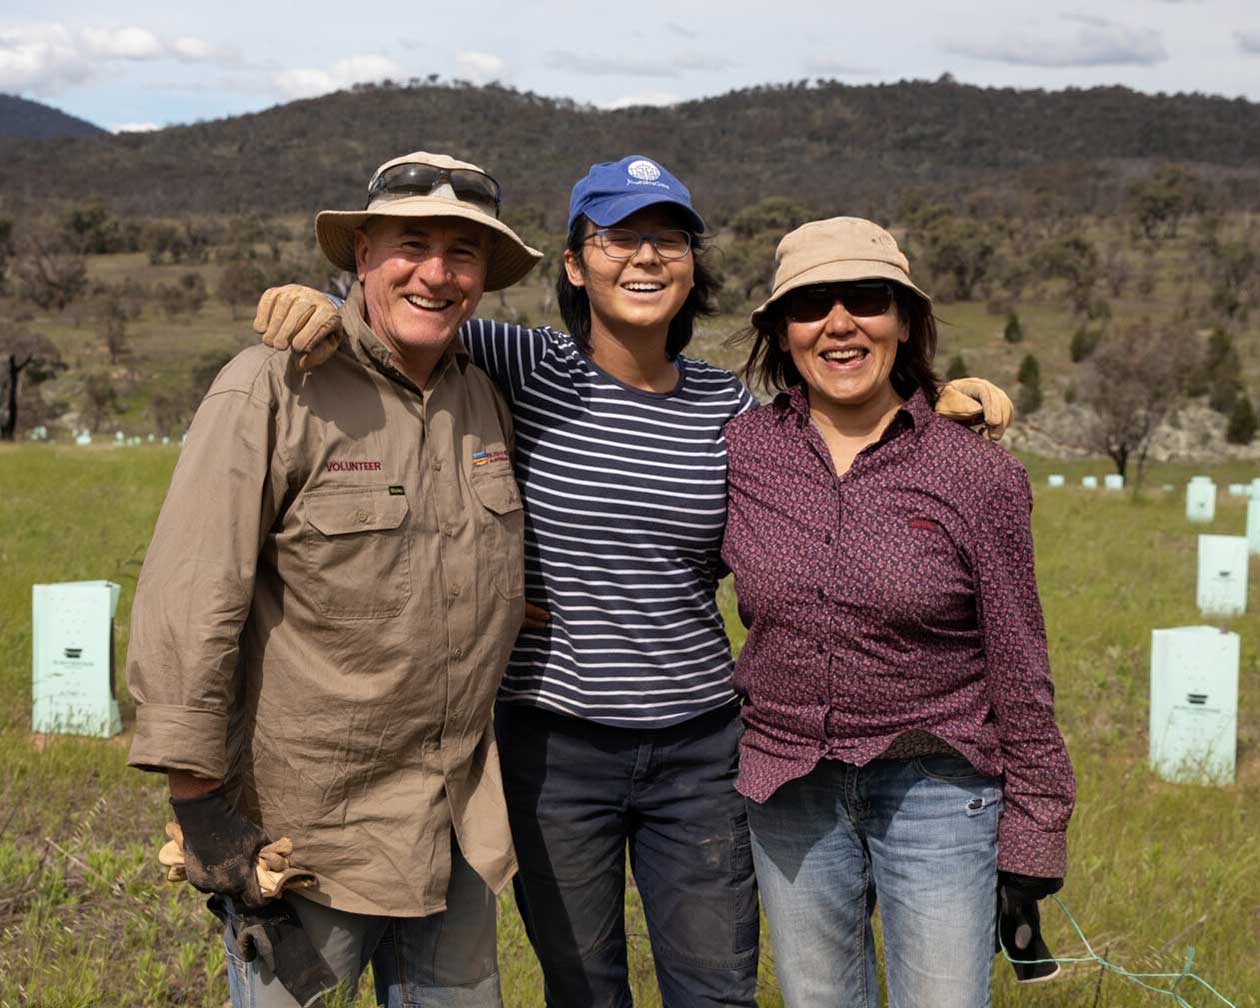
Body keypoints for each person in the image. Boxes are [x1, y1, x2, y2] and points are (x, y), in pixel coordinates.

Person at [254, 156, 1011, 1008]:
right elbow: (416, 305)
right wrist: (320, 301)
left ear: (693, 267)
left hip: (700, 747)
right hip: (553, 743)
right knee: (585, 986)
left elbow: (838, 421)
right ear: (575, 265)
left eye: (668, 239)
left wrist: (935, 397)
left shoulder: (731, 411)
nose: (645, 258)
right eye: (618, 238)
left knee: (717, 988)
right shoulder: (526, 364)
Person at [126, 150, 542, 1008]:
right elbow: (190, 596)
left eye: (462, 253)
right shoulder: (272, 384)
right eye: (411, 243)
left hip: (455, 820)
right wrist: (199, 806)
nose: (436, 272)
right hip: (306, 839)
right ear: (360, 256)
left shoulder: (482, 398)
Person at [721, 216, 1075, 1008]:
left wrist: (1035, 830)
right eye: (812, 304)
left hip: (938, 788)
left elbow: (1020, 660)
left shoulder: (974, 472)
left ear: (905, 319)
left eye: (867, 299)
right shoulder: (742, 453)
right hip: (789, 786)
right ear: (782, 332)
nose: (839, 323)